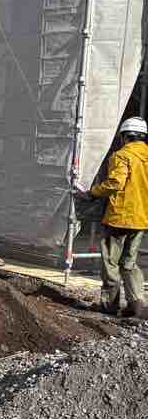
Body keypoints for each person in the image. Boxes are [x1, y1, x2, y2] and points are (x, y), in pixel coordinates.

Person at [86, 116, 148, 318]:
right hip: (141, 218)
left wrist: (94, 191)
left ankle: (109, 305)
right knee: (129, 262)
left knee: (110, 262)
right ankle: (136, 303)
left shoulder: (122, 155)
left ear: (125, 136)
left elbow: (115, 183)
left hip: (119, 217)